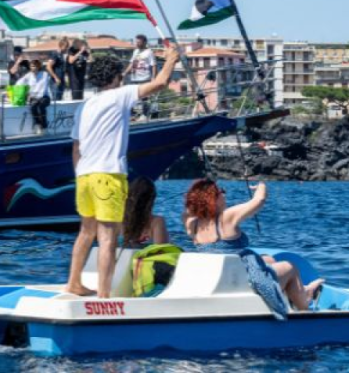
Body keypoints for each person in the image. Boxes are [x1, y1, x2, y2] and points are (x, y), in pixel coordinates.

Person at [63, 48, 178, 299]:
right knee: (107, 237)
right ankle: (104, 297)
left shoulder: (85, 106)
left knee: (86, 231)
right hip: (107, 176)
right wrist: (171, 59)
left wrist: (81, 173)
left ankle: (73, 283)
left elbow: (75, 147)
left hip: (83, 176)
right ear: (116, 77)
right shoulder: (119, 95)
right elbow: (160, 83)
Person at [184, 179, 324, 311]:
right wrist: (261, 185)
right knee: (290, 267)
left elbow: (188, 212)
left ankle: (293, 293)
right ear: (213, 198)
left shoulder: (191, 224)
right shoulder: (226, 217)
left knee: (268, 259)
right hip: (240, 280)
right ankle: (304, 302)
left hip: (221, 275)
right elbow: (259, 200)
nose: (224, 194)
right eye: (221, 191)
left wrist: (197, 198)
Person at [121, 176, 170, 248]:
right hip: (145, 258)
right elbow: (161, 250)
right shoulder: (157, 222)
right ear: (152, 200)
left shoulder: (118, 221)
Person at [20, 58, 54, 133]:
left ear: (38, 67)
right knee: (32, 107)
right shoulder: (28, 75)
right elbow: (20, 82)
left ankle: (44, 127)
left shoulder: (44, 75)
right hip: (34, 98)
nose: (33, 68)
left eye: (34, 66)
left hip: (45, 97)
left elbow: (42, 88)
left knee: (40, 106)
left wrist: (33, 96)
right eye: (31, 66)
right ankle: (38, 125)